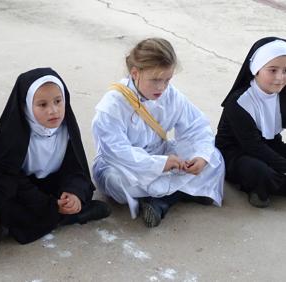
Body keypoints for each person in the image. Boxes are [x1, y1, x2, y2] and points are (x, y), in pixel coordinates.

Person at [92, 38, 224, 227]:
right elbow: (116, 153)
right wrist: (160, 164)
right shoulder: (112, 105)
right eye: (155, 80)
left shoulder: (170, 94)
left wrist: (200, 156)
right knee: (116, 181)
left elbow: (196, 126)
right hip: (125, 166)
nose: (161, 87)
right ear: (135, 73)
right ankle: (177, 195)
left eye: (167, 80)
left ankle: (159, 199)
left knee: (214, 158)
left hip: (161, 154)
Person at [0, 67, 111, 244]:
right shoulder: (12, 134)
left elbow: (75, 167)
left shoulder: (65, 129)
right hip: (24, 190)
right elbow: (5, 178)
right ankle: (67, 217)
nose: (53, 111)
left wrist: (72, 193)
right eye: (42, 105)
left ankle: (61, 214)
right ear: (26, 106)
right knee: (5, 208)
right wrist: (48, 204)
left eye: (58, 101)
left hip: (52, 186)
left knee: (80, 190)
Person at [216, 37, 286, 208]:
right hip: (234, 152)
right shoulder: (239, 102)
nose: (280, 78)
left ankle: (262, 189)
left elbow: (272, 141)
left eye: (285, 71)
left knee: (272, 165)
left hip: (268, 144)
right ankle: (259, 186)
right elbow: (253, 146)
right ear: (256, 70)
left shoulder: (281, 95)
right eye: (272, 70)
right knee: (260, 172)